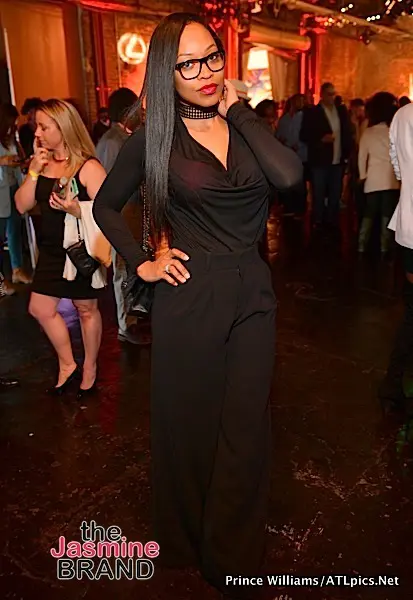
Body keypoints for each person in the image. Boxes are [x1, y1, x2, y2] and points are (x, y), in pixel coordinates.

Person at [93, 12, 302, 598]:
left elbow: (289, 176)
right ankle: (184, 538)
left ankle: (231, 554)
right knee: (190, 424)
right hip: (189, 294)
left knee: (247, 426)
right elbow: (105, 204)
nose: (205, 71)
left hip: (253, 291)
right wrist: (142, 262)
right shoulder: (154, 138)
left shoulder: (244, 126)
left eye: (212, 57)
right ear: (167, 72)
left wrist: (239, 110)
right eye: (188, 64)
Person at [15, 99, 110, 399]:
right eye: (37, 127)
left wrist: (78, 209)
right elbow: (21, 205)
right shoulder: (42, 164)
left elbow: (109, 211)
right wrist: (33, 171)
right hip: (51, 251)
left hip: (79, 250)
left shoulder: (87, 166)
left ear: (63, 127)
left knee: (86, 309)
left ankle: (90, 369)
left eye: (44, 127)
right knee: (40, 308)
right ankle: (68, 364)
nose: (37, 133)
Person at [96, 88, 149, 345]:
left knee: (130, 266)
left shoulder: (125, 136)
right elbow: (108, 186)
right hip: (121, 213)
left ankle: (133, 318)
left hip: (132, 211)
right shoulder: (111, 142)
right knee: (120, 269)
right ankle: (125, 325)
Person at [379, 102, 413, 411]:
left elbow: (398, 169)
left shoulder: (402, 115)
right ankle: (392, 382)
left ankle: (393, 382)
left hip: (408, 227)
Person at [301, 82, 352, 230]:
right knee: (319, 192)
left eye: (333, 94)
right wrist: (320, 139)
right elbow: (304, 135)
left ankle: (332, 220)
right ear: (322, 95)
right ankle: (318, 221)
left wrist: (347, 154)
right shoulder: (312, 113)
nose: (332, 97)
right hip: (320, 160)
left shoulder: (340, 111)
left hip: (337, 159)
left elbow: (346, 133)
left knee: (335, 193)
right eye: (329, 94)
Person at [358, 92, 399, 255]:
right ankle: (384, 246)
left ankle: (362, 244)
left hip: (372, 180)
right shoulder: (394, 132)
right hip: (390, 180)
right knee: (386, 214)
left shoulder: (368, 133)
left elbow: (362, 157)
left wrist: (362, 176)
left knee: (369, 213)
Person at [0, 103, 31, 295]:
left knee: (15, 231)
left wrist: (21, 162)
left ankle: (17, 269)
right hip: (1, 190)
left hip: (12, 187)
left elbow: (18, 158)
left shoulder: (10, 138)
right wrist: (3, 161)